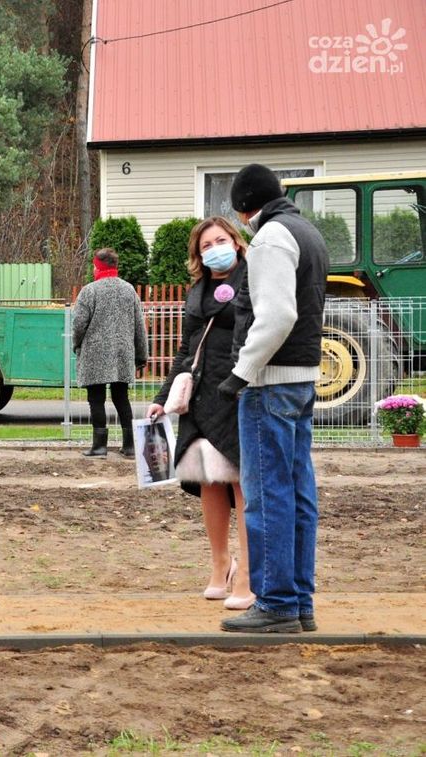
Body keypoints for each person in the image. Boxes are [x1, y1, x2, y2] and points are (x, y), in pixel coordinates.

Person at [218, 164, 328, 634]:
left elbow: (278, 314)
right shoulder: (308, 232)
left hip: (270, 383)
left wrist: (240, 373)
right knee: (299, 493)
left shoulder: (270, 237)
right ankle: (299, 602)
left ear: (245, 208)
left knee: (266, 495)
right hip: (302, 379)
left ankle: (277, 603)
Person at [147, 217, 254, 609]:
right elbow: (185, 350)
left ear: (236, 243)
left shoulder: (253, 278)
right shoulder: (197, 291)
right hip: (200, 394)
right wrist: (163, 397)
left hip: (239, 390)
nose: (214, 249)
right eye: (206, 245)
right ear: (198, 254)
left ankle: (248, 573)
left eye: (220, 240)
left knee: (242, 483)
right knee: (209, 479)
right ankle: (220, 564)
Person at [71, 248, 148, 457]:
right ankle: (130, 446)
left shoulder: (89, 291)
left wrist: (76, 344)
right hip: (123, 353)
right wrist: (141, 355)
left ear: (98, 267)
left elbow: (78, 324)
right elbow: (139, 326)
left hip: (94, 352)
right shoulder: (129, 290)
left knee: (96, 399)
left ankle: (99, 447)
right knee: (121, 398)